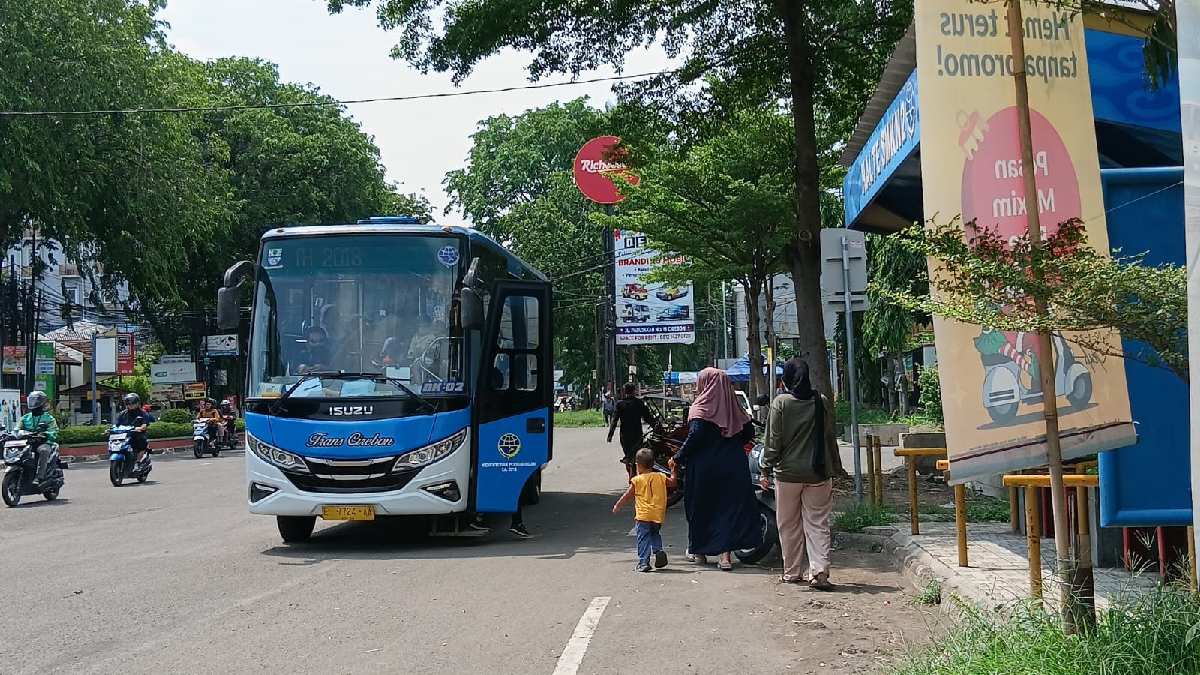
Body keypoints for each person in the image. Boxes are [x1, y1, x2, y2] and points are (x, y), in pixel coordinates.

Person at [760, 358, 848, 590]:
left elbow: (773, 441)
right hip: (818, 473)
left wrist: (765, 469)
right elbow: (828, 435)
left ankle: (791, 572)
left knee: (788, 524)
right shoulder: (822, 401)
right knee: (818, 522)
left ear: (787, 378)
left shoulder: (781, 403)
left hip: (787, 474)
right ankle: (819, 572)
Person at [668, 368, 762, 571]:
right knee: (728, 509)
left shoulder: (700, 408)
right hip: (733, 465)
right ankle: (725, 557)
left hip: (705, 467)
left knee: (701, 507)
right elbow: (748, 433)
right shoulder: (736, 408)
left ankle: (699, 552)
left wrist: (678, 456)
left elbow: (695, 436)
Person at [613, 447, 678, 571]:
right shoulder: (661, 477)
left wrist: (617, 506)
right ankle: (658, 550)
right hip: (657, 514)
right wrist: (673, 469)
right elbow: (673, 482)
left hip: (643, 515)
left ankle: (644, 562)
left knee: (643, 537)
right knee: (655, 533)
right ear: (653, 464)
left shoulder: (637, 480)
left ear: (637, 466)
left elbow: (627, 496)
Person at [607, 383, 660, 481]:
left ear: (624, 392)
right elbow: (647, 417)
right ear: (634, 391)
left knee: (628, 456)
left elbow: (614, 420)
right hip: (637, 435)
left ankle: (631, 476)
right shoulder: (638, 403)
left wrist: (610, 435)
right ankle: (635, 476)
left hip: (625, 436)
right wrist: (656, 427)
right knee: (636, 456)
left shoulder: (619, 404)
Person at [15, 391, 58, 487]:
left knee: (43, 450)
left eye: (36, 401)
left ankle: (39, 476)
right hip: (27, 442)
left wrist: (46, 434)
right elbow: (16, 429)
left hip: (43, 442)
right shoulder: (25, 418)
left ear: (42, 402)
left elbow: (53, 431)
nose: (33, 403)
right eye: (32, 400)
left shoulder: (49, 418)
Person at [115, 393, 154, 465]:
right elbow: (116, 424)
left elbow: (144, 425)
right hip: (124, 435)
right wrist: (110, 429)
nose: (131, 405)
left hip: (137, 434)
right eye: (129, 404)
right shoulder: (123, 414)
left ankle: (138, 461)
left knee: (142, 440)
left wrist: (139, 428)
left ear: (137, 403)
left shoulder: (143, 413)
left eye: (133, 403)